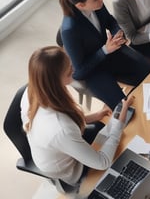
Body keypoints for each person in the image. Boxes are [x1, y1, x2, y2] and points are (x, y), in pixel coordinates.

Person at [20, 46, 134, 186]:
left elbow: (67, 117)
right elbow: (103, 162)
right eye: (68, 72)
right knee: (123, 148)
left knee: (106, 130)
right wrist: (119, 124)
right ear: (54, 82)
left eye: (70, 63)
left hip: (62, 144)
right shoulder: (60, 129)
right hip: (71, 170)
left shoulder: (33, 91)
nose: (73, 69)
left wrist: (95, 116)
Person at [59, 0, 150, 110]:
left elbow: (110, 21)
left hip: (112, 51)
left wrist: (118, 32)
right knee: (125, 109)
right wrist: (105, 50)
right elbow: (78, 72)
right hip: (94, 71)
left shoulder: (96, 3)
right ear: (81, 5)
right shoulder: (69, 30)